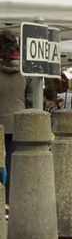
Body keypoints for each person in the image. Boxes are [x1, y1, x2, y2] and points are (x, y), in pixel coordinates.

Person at [0, 30, 26, 208]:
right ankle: (10, 201)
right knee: (12, 163)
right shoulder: (22, 72)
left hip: (1, 122)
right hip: (19, 122)